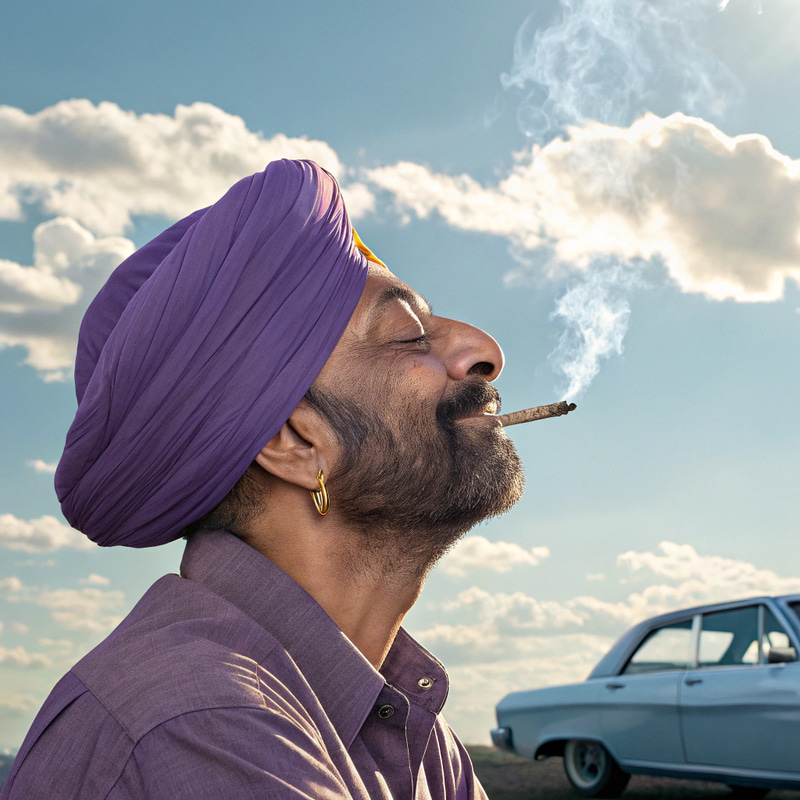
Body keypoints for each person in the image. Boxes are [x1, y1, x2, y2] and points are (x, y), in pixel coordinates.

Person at [1, 159, 525, 799]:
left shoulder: (406, 733)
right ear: (296, 441)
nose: (484, 351)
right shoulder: (201, 726)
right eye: (408, 334)